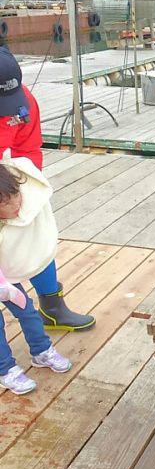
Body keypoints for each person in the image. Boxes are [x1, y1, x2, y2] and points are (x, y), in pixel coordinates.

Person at [0, 44, 95, 331]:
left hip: (9, 176)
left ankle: (53, 308)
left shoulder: (21, 100)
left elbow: (29, 147)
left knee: (36, 234)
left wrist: (25, 191)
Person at [0, 159, 72, 394]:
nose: (17, 204)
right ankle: (5, 369)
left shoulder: (18, 199)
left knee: (28, 311)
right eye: (8, 203)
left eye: (16, 196)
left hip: (5, 278)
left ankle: (41, 351)